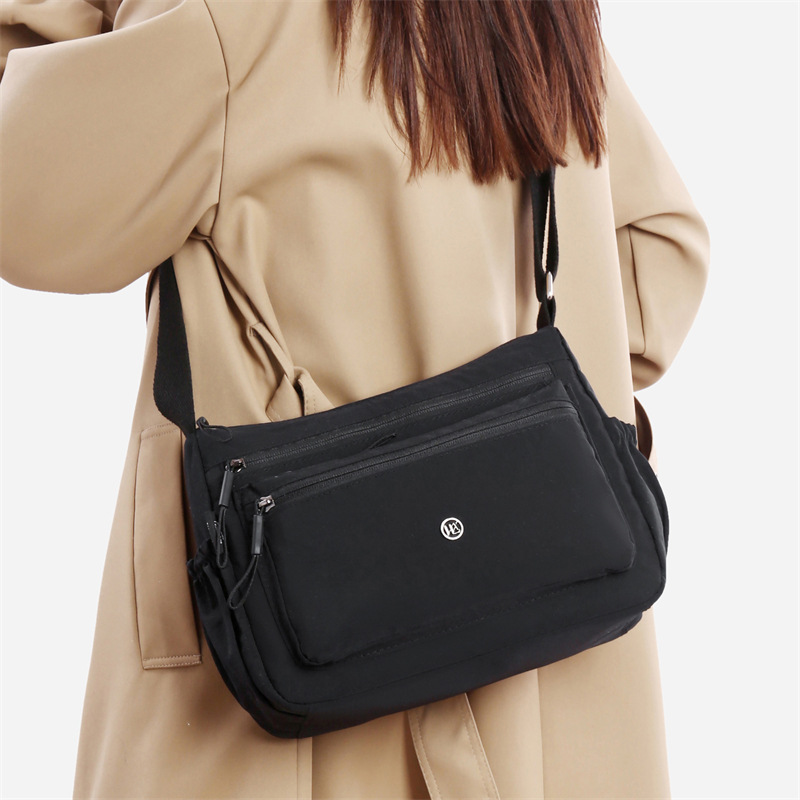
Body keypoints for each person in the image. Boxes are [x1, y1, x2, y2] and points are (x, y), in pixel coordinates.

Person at [0, 0, 710, 796]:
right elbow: (660, 256)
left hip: (282, 652)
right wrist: (502, 421)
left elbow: (23, 202)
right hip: (548, 657)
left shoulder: (226, 21)